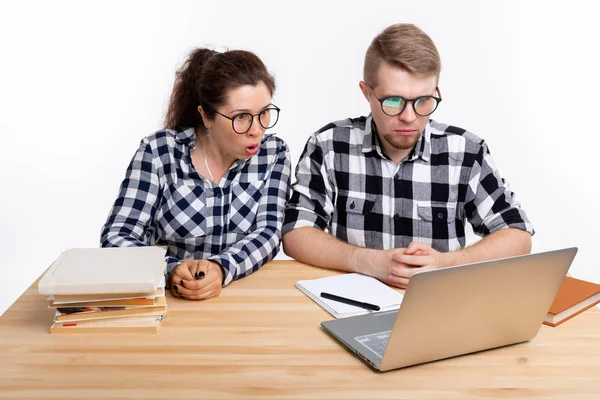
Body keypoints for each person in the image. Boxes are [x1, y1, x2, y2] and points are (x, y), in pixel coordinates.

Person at [282, 23, 534, 289]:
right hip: (352, 304)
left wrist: (445, 264)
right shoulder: (329, 146)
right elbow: (295, 233)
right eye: (393, 101)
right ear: (367, 93)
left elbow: (517, 235)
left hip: (439, 304)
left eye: (424, 100)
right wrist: (366, 261)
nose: (409, 117)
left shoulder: (466, 152)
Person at [101, 48, 291, 300]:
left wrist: (221, 268)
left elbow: (269, 232)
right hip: (167, 300)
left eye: (265, 112)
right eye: (242, 117)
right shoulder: (159, 152)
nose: (257, 129)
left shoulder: (274, 153)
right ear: (206, 116)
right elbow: (117, 236)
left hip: (240, 297)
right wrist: (170, 269)